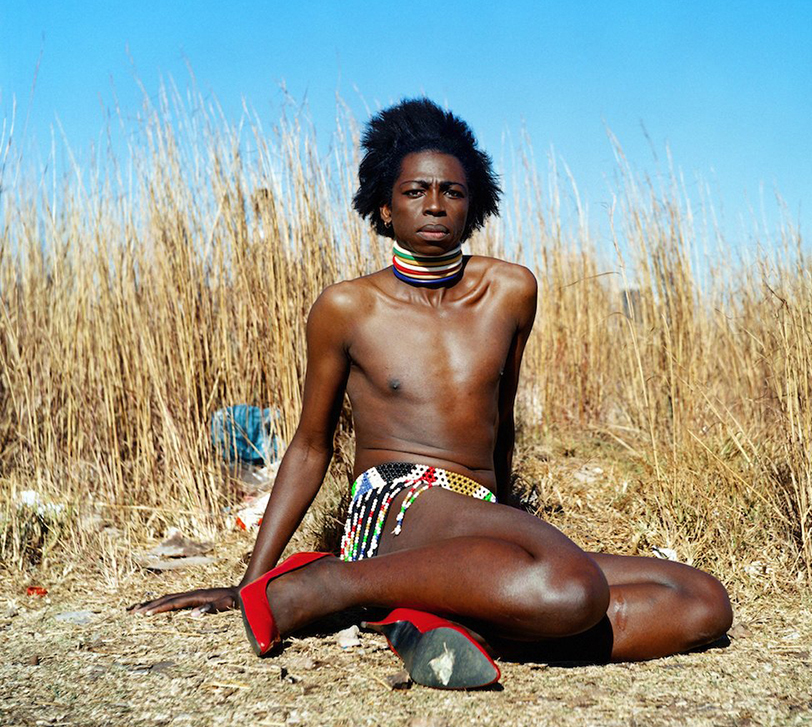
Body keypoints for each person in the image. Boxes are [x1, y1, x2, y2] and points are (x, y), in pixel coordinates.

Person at [133, 99, 732, 688]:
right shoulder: (347, 308)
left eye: (452, 191)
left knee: (701, 602)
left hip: (476, 508)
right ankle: (328, 584)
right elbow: (311, 446)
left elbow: (502, 420)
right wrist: (251, 583)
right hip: (394, 505)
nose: (435, 205)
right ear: (385, 207)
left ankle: (431, 616)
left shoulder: (511, 291)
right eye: (415, 191)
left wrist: (508, 523)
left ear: (474, 206)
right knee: (572, 589)